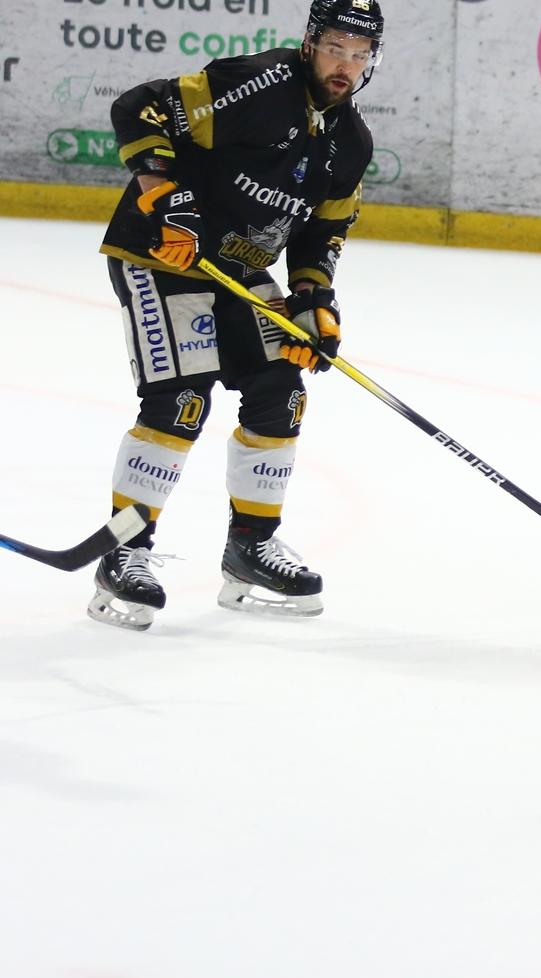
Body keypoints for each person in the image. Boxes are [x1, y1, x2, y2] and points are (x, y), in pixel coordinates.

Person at [87, 0, 380, 631]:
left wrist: (312, 302)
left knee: (282, 392)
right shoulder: (262, 84)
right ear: (309, 45)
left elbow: (320, 238)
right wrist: (163, 191)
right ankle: (125, 551)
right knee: (180, 399)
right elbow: (139, 105)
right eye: (336, 47)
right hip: (159, 252)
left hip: (238, 273)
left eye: (360, 54)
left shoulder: (351, 142)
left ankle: (250, 548)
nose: (346, 64)